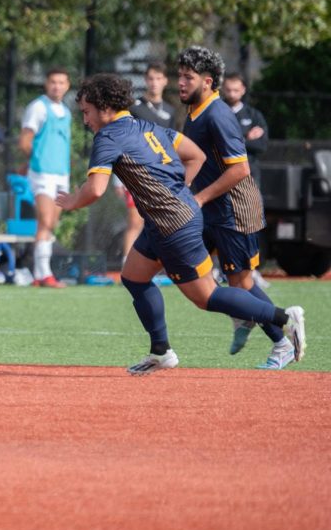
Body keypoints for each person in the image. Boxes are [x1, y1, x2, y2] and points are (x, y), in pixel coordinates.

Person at [57, 72, 305, 374]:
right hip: (169, 219)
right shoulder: (148, 126)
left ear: (105, 107)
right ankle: (161, 352)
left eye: (86, 111)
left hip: (172, 225)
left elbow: (95, 189)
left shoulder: (108, 136)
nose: (85, 119)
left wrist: (71, 201)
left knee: (207, 296)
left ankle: (285, 319)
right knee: (134, 276)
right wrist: (177, 191)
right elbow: (195, 155)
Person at [177, 48, 297, 368]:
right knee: (189, 266)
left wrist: (199, 198)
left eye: (187, 77)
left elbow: (240, 170)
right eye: (180, 76)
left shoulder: (217, 114)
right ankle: (242, 316)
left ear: (207, 81)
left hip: (234, 208)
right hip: (209, 208)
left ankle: (283, 341)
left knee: (242, 283)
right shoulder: (194, 112)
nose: (180, 83)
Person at [18, 69, 72, 288]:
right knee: (46, 221)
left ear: (67, 85)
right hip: (43, 173)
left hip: (61, 174)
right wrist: (36, 161)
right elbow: (25, 141)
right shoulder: (38, 107)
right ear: (46, 84)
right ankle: (43, 274)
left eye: (61, 82)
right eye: (53, 82)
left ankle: (41, 275)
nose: (56, 86)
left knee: (52, 224)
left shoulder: (66, 111)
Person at [121, 64, 179, 263]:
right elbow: (123, 139)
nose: (154, 83)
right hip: (136, 173)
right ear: (146, 81)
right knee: (135, 221)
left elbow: (171, 144)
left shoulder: (170, 111)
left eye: (158, 78)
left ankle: (155, 265)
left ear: (165, 81)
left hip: (161, 174)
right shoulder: (135, 107)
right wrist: (118, 178)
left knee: (159, 222)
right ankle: (126, 265)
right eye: (151, 78)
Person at [221, 73, 269, 174]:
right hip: (221, 172)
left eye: (236, 90)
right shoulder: (216, 113)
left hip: (249, 172)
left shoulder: (254, 115)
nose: (232, 94)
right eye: (229, 90)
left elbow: (261, 145)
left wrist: (233, 141)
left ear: (243, 90)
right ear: (223, 89)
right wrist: (245, 138)